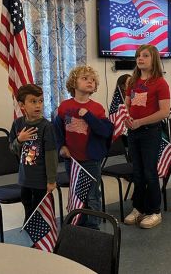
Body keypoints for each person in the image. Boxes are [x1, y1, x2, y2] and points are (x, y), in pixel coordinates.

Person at [54, 65, 113, 230]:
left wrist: (87, 115)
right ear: (74, 83)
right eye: (85, 78)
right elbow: (57, 131)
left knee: (92, 195)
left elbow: (105, 131)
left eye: (92, 80)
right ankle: (78, 224)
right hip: (72, 160)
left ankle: (93, 227)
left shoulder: (97, 108)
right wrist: (61, 147)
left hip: (91, 160)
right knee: (77, 192)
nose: (90, 82)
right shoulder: (64, 107)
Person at [123, 45, 170, 229]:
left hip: (150, 132)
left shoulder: (160, 83)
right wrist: (126, 118)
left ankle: (154, 211)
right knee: (138, 172)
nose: (140, 59)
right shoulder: (132, 82)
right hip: (133, 132)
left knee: (150, 172)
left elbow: (164, 112)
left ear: (154, 60)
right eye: (138, 56)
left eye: (144, 56)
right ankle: (138, 207)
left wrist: (141, 122)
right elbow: (127, 105)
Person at [9, 84, 58, 223]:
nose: (38, 105)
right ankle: (30, 227)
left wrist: (51, 180)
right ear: (22, 105)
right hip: (25, 178)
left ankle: (44, 238)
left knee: (41, 209)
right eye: (33, 101)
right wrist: (19, 140)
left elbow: (51, 155)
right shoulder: (18, 124)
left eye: (41, 101)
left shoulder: (46, 127)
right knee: (27, 203)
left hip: (41, 179)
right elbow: (12, 148)